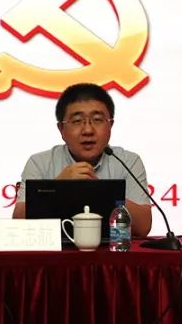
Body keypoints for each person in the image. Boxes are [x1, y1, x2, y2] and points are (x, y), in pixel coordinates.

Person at [12, 83, 153, 238]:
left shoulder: (127, 161)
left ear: (110, 125)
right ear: (61, 129)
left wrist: (99, 190)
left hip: (110, 252)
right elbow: (18, 223)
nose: (88, 130)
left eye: (97, 119)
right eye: (77, 121)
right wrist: (58, 187)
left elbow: (143, 227)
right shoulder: (40, 163)